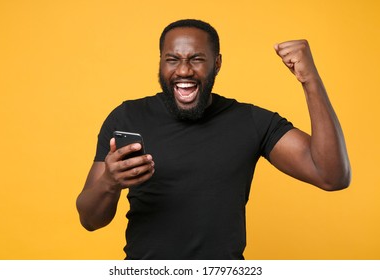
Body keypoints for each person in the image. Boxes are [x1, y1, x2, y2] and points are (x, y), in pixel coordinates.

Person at [76, 19, 351, 260]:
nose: (183, 71)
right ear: (160, 62)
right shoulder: (128, 117)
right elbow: (90, 220)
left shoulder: (251, 121)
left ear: (217, 63)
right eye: (172, 59)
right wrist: (110, 183)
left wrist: (310, 80)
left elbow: (331, 176)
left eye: (196, 59)